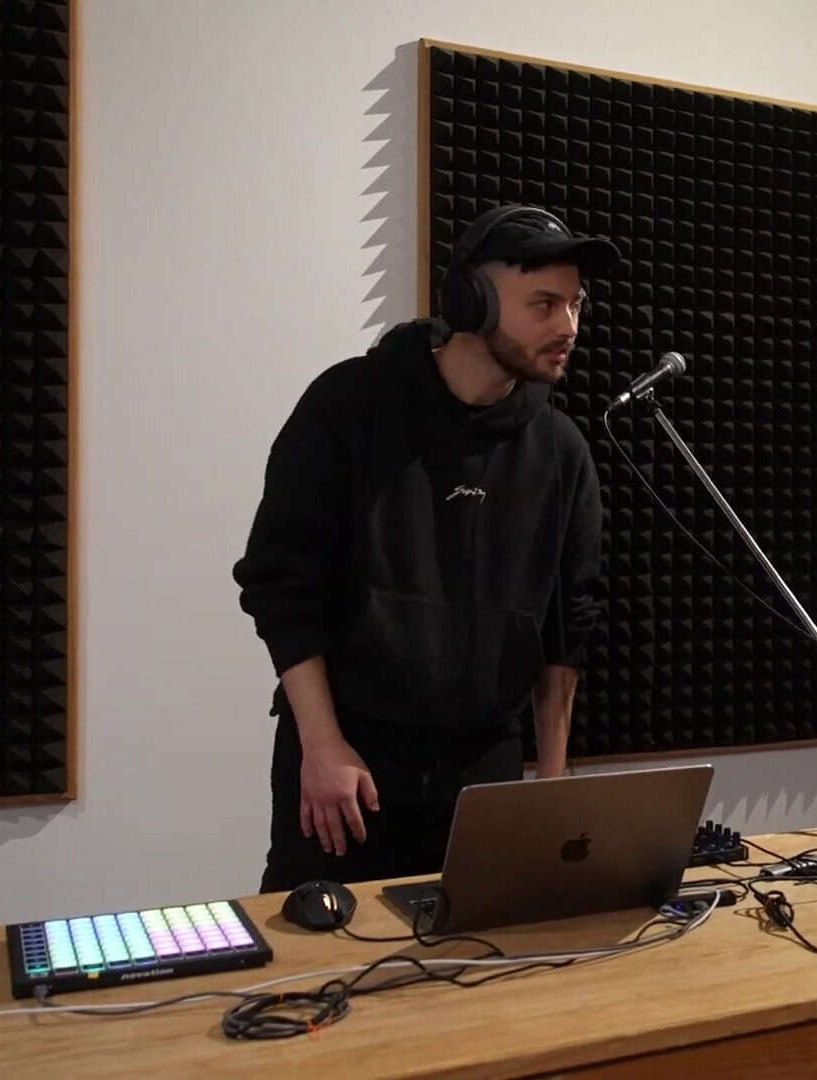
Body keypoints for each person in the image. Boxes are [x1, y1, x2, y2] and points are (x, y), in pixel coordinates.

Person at [235, 205, 617, 891]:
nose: (568, 327)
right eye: (544, 305)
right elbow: (281, 586)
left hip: (484, 773)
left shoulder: (561, 451)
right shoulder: (348, 406)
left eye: (576, 305)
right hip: (349, 765)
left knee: (482, 956)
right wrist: (321, 745)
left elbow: (567, 631)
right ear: (471, 301)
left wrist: (551, 785)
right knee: (314, 951)